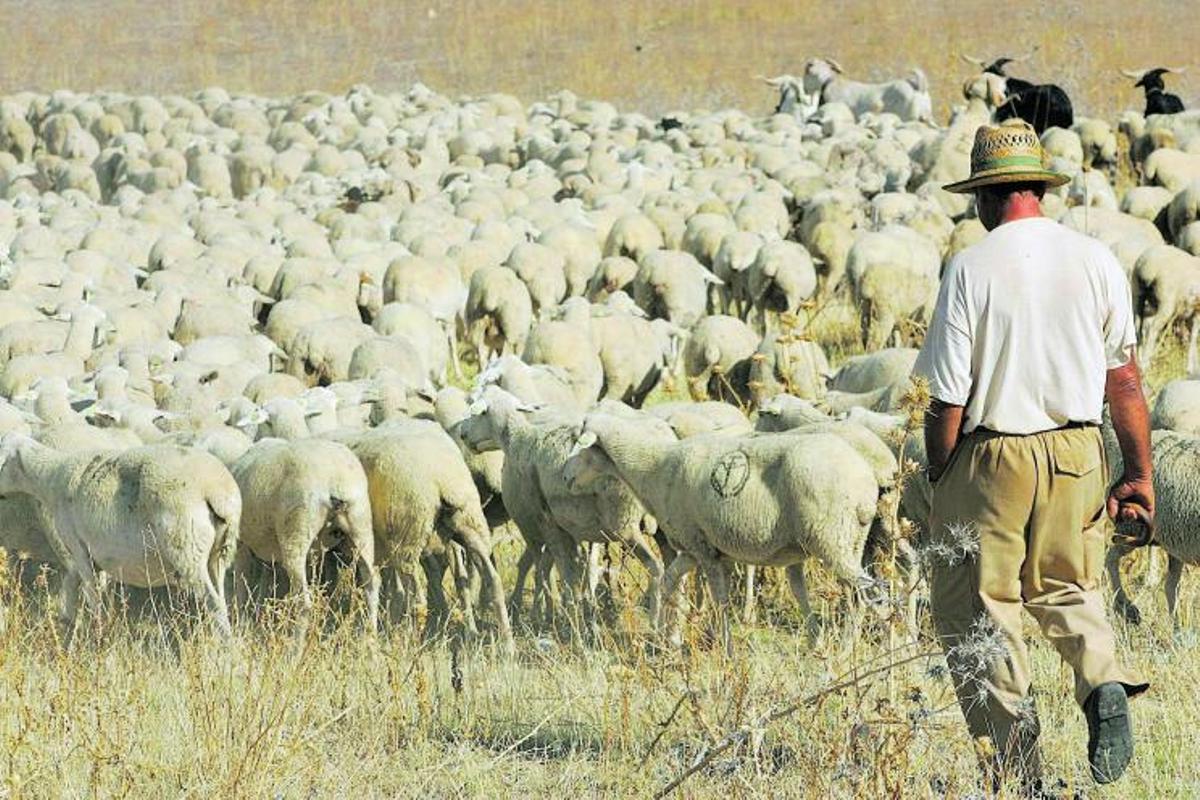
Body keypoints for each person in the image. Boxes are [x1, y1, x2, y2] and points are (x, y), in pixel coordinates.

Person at [914, 118, 1152, 792]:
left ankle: (1018, 769)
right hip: (1079, 449)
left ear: (986, 197)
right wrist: (1138, 474)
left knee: (982, 609)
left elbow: (947, 398)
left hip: (992, 455)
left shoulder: (970, 267)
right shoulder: (1096, 259)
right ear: (1039, 190)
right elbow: (1125, 382)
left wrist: (942, 474)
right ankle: (1102, 682)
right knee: (1069, 586)